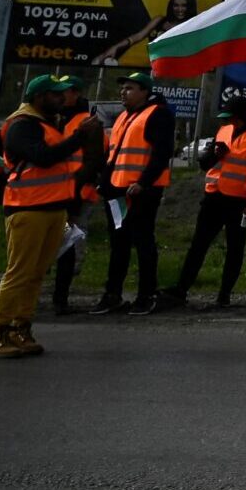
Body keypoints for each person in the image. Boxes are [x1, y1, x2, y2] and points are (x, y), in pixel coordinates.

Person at [0, 75, 89, 357]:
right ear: (38, 97)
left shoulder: (46, 124)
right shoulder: (22, 125)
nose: (62, 98)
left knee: (34, 274)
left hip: (52, 208)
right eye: (55, 94)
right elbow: (43, 157)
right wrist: (78, 139)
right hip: (27, 209)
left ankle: (20, 328)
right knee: (19, 272)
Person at [162, 94, 246, 310]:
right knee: (199, 244)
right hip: (214, 196)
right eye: (227, 118)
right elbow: (205, 164)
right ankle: (181, 289)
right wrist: (214, 154)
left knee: (235, 249)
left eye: (233, 117)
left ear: (244, 116)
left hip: (240, 201)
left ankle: (224, 294)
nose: (229, 122)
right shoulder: (224, 130)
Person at [96, 70, 174, 315]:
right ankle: (113, 294)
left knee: (143, 242)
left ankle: (146, 294)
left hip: (143, 192)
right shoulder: (124, 117)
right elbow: (114, 155)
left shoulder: (158, 114)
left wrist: (144, 182)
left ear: (144, 92)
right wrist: (105, 183)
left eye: (130, 88)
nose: (123, 92)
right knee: (119, 244)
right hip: (118, 191)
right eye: (123, 88)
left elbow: (162, 154)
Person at [50, 78, 103, 317]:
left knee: (69, 245)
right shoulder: (56, 118)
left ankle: (60, 298)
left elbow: (92, 161)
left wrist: (75, 190)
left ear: (76, 93)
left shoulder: (86, 122)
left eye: (64, 92)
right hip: (53, 191)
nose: (59, 96)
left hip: (78, 192)